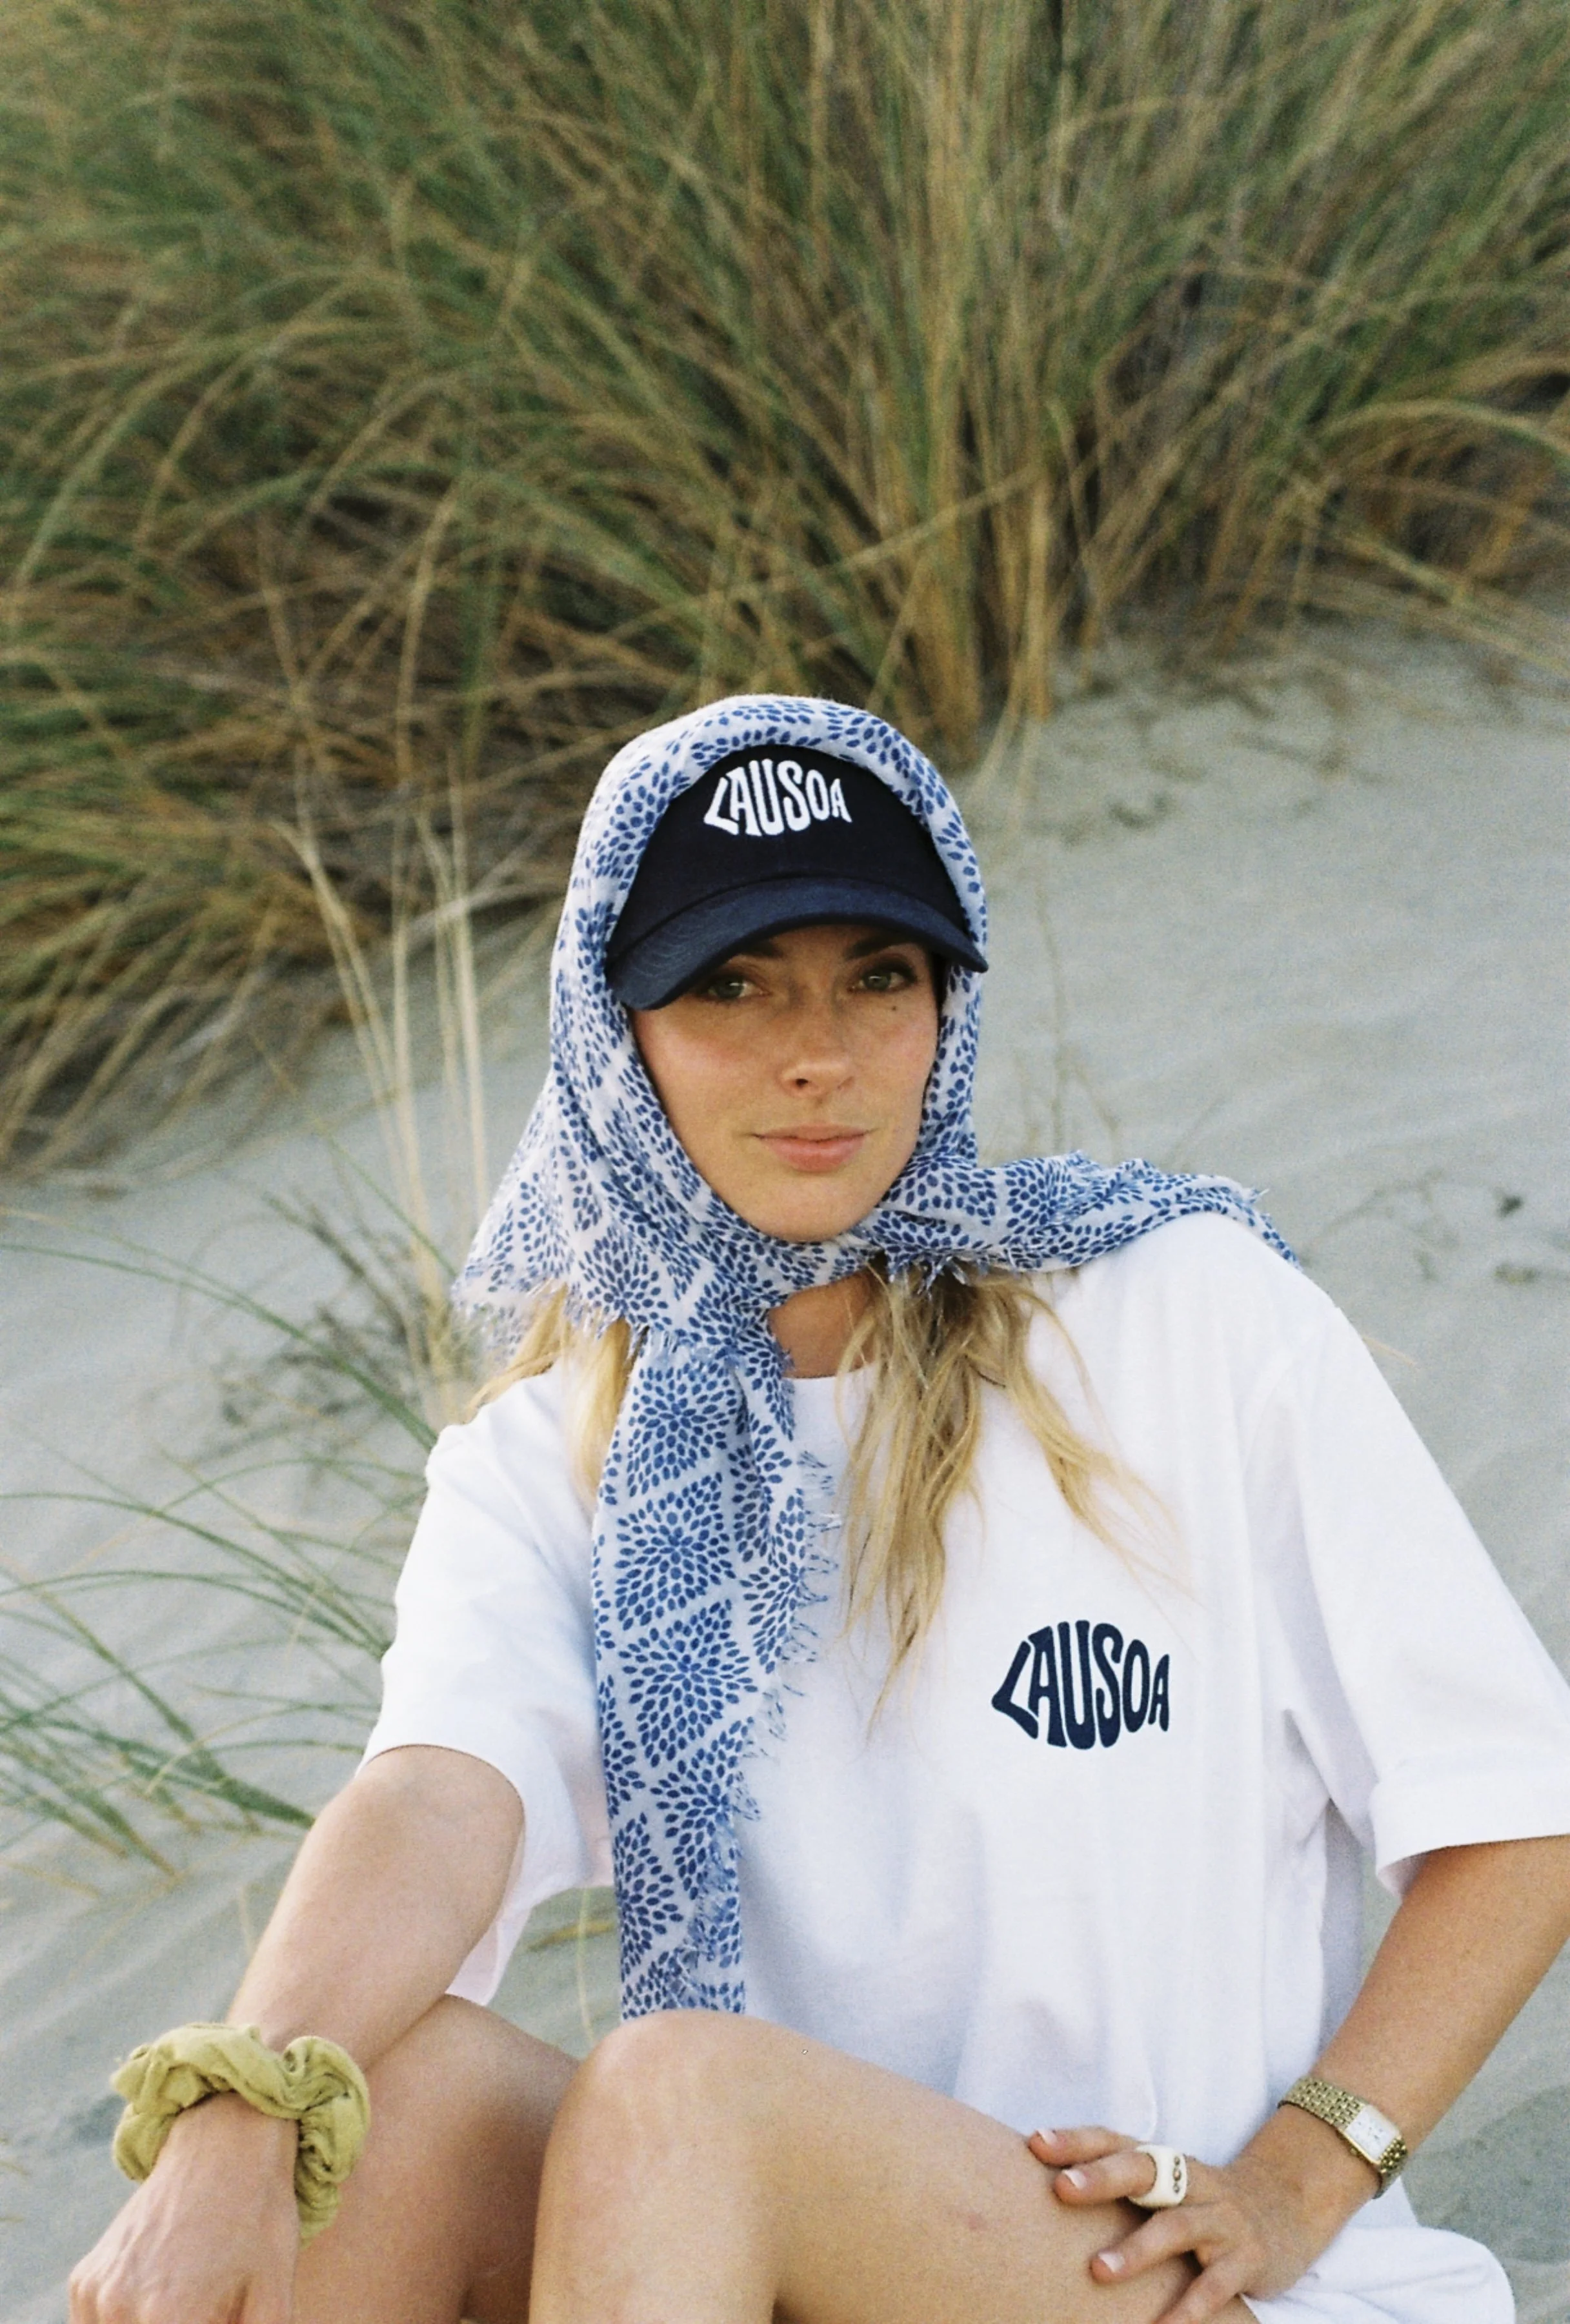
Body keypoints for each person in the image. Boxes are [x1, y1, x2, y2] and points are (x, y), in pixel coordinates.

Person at [72, 696, 1570, 2324]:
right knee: (387, 2097)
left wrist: (1297, 2179)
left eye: (880, 977)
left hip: (1180, 2280)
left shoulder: (1177, 1315)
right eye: (732, 984)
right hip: (763, 2263)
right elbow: (438, 1796)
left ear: (948, 1003)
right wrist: (234, 2110)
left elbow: (1514, 1815)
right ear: (610, 1030)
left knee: (679, 2098)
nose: (819, 1053)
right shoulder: (556, 1458)